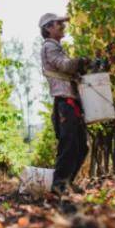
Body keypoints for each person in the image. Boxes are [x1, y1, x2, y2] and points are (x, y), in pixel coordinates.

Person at [39, 13, 91, 195]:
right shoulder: (50, 47)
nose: (62, 26)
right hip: (64, 102)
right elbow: (65, 66)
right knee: (68, 144)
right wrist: (80, 62)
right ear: (48, 28)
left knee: (82, 146)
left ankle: (67, 182)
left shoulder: (58, 47)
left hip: (71, 101)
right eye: (58, 24)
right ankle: (59, 183)